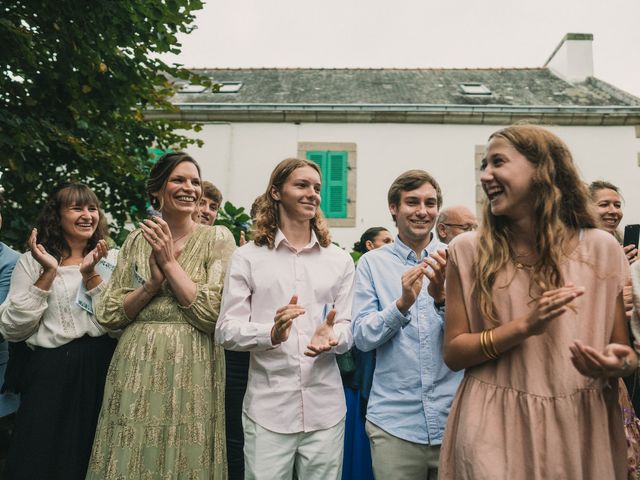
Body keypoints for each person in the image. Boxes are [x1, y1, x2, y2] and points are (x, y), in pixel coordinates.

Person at [440, 125, 636, 479]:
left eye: (497, 162)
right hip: (492, 424)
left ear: (543, 170)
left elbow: (623, 352)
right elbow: (454, 353)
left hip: (581, 425)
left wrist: (615, 363)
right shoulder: (467, 250)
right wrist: (523, 327)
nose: (486, 175)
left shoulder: (602, 249)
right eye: (483, 165)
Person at [86, 152, 235, 479]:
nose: (189, 188)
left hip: (194, 363)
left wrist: (168, 264)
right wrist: (152, 285)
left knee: (185, 452)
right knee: (131, 448)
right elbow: (109, 313)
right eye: (178, 180)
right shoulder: (137, 239)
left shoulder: (217, 238)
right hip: (136, 362)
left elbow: (212, 315)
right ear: (157, 190)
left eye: (195, 181)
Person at [216, 158, 355, 480]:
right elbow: (225, 331)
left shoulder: (339, 260)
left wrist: (334, 339)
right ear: (276, 192)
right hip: (268, 410)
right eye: (302, 185)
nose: (313, 194)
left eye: (317, 188)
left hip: (326, 410)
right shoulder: (247, 257)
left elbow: (348, 327)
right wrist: (271, 333)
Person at [0, 182, 117, 480]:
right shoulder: (33, 261)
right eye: (77, 208)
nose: (87, 215)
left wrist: (91, 276)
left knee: (88, 453)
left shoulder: (111, 260)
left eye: (92, 208)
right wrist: (49, 273)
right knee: (37, 454)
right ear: (57, 215)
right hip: (48, 370)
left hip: (99, 367)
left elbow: (115, 323)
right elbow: (12, 329)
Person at [352, 170, 462, 479]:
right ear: (393, 208)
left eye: (430, 202)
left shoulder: (456, 259)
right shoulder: (372, 264)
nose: (422, 211)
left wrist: (441, 300)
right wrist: (401, 306)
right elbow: (361, 336)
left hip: (452, 418)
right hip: (394, 423)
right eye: (412, 202)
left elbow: (473, 333)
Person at [341, 227, 392, 480]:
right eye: (386, 241)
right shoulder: (362, 269)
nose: (391, 244)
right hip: (361, 364)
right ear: (370, 245)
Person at [589, 180, 637, 264]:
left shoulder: (620, 241)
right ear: (586, 209)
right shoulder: (575, 245)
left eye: (617, 205)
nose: (614, 211)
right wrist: (614, 264)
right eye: (604, 204)